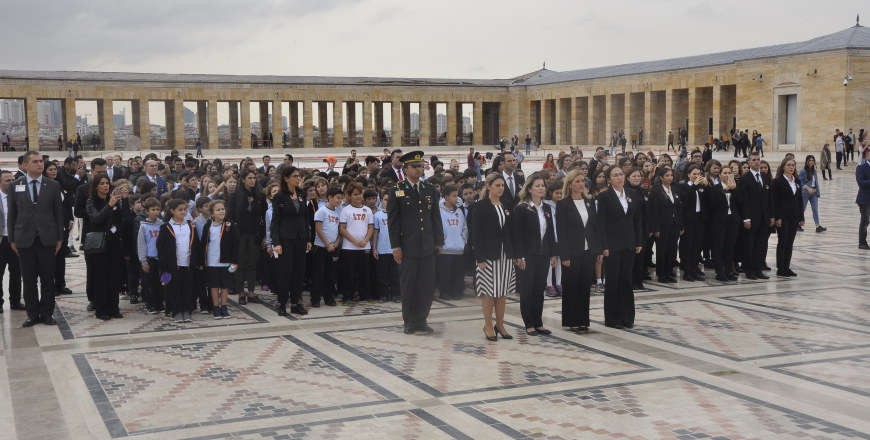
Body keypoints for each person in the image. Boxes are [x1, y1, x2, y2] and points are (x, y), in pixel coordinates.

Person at [387, 151, 444, 335]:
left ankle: (422, 320)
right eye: (414, 167)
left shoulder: (429, 189)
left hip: (427, 244)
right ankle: (409, 321)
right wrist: (396, 246)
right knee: (409, 285)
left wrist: (439, 241)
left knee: (426, 285)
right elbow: (393, 221)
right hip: (408, 246)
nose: (419, 169)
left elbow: (435, 217)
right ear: (406, 169)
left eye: (420, 166)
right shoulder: (397, 189)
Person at [8, 151, 65, 327]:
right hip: (24, 239)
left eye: (41, 161)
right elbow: (12, 214)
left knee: (48, 279)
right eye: (35, 161)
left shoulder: (53, 185)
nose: (40, 164)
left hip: (47, 238)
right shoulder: (15, 185)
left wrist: (60, 238)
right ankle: (32, 314)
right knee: (29, 279)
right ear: (26, 165)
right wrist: (12, 239)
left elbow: (58, 213)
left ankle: (47, 313)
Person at [597, 166, 643, 329]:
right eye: (615, 175)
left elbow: (636, 219)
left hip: (629, 243)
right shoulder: (604, 196)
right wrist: (603, 245)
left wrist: (638, 241)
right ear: (609, 179)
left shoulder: (632, 193)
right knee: (613, 281)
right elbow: (601, 223)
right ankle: (612, 318)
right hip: (612, 245)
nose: (619, 177)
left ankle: (627, 317)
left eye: (621, 174)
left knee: (626, 280)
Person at [512, 174, 557, 336]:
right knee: (527, 289)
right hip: (528, 255)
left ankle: (538, 322)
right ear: (529, 189)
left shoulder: (546, 208)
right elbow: (517, 235)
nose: (541, 188)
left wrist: (553, 253)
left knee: (539, 288)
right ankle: (529, 323)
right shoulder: (522, 208)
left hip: (543, 254)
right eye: (537, 186)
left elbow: (550, 233)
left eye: (543, 185)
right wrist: (519, 256)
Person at [472, 173, 515, 341]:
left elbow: (511, 231)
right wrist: (480, 257)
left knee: (502, 291)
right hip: (488, 255)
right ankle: (488, 325)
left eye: (502, 185)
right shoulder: (480, 206)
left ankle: (500, 324)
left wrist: (516, 254)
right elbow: (477, 234)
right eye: (497, 185)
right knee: (489, 292)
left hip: (506, 254)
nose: (501, 188)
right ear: (488, 186)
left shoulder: (507, 204)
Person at [556, 170, 600, 332]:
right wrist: (564, 255)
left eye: (583, 181)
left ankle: (583, 320)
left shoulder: (589, 201)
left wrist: (598, 249)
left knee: (584, 286)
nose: (581, 184)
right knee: (572, 286)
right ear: (570, 184)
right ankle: (572, 320)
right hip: (572, 252)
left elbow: (594, 227)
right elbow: (561, 232)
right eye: (577, 181)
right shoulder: (563, 204)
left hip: (589, 251)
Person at [271, 166, 312, 316]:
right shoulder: (280, 196)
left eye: (299, 175)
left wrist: (308, 238)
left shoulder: (301, 194)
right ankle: (281, 302)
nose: (298, 178)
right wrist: (276, 242)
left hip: (300, 237)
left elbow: (305, 218)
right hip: (286, 238)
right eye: (295, 176)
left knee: (298, 271)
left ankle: (296, 302)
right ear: (286, 178)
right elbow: (275, 221)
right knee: (285, 272)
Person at [86, 174, 127, 320]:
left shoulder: (115, 200)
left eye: (107, 183)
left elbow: (122, 219)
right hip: (99, 243)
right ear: (96, 186)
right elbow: (96, 219)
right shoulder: (91, 202)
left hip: (114, 242)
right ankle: (101, 309)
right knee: (101, 276)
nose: (105, 186)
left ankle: (114, 308)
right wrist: (109, 205)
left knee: (114, 276)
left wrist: (124, 200)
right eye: (102, 183)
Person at [157, 199, 200, 323]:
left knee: (187, 288)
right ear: (172, 211)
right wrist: (164, 266)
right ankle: (176, 311)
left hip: (187, 263)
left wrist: (197, 261)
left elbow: (195, 244)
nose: (183, 212)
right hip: (172, 265)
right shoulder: (166, 227)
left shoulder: (190, 225)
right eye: (180, 210)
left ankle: (186, 310)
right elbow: (161, 247)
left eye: (185, 209)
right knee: (173, 288)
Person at [226, 169, 264, 305]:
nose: (253, 180)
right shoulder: (235, 196)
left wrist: (262, 235)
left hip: (254, 234)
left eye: (254, 178)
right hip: (240, 235)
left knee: (252, 264)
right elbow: (229, 216)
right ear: (243, 180)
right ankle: (241, 293)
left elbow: (262, 216)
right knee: (240, 264)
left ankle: (252, 293)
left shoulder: (258, 195)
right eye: (250, 178)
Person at [736, 152, 773, 279]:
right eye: (754, 160)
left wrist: (771, 216)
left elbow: (770, 198)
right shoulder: (744, 179)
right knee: (749, 245)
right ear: (749, 162)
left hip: (764, 217)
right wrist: (746, 218)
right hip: (751, 218)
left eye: (758, 159)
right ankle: (749, 269)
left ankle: (758, 269)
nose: (757, 162)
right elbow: (744, 201)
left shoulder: (765, 177)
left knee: (761, 245)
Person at [200, 200, 238, 319]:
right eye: (218, 210)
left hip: (225, 261)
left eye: (223, 209)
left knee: (225, 286)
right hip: (212, 261)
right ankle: (216, 307)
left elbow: (235, 244)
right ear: (212, 213)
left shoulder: (230, 224)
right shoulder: (208, 226)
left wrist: (235, 261)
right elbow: (203, 243)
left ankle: (224, 307)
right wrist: (201, 261)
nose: (222, 211)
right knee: (214, 285)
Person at [705, 163, 741, 281]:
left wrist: (734, 189)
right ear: (720, 175)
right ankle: (720, 272)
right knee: (719, 247)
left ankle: (728, 271)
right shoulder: (715, 188)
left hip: (733, 220)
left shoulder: (735, 187)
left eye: (729, 173)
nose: (727, 175)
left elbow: (740, 201)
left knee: (730, 248)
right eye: (724, 173)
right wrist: (723, 191)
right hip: (719, 221)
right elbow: (712, 204)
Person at [338, 182, 374, 303]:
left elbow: (370, 227)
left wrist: (365, 240)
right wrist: (354, 241)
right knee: (349, 273)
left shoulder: (367, 210)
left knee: (364, 273)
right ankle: (348, 296)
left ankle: (364, 295)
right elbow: (342, 229)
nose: (358, 196)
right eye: (355, 194)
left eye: (360, 194)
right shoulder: (345, 210)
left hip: (365, 246)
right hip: (349, 248)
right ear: (349, 196)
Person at [647, 167, 682, 283]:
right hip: (662, 225)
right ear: (661, 177)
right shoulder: (656, 190)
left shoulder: (675, 189)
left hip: (674, 224)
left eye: (671, 175)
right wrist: (656, 228)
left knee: (672, 249)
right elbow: (654, 211)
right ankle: (661, 274)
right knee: (662, 249)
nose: (670, 177)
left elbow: (678, 208)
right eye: (667, 175)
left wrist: (681, 225)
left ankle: (669, 272)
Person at [771, 158, 804, 277]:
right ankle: (780, 268)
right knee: (783, 241)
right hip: (783, 216)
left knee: (790, 242)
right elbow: (775, 201)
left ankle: (787, 266)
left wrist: (801, 217)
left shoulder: (797, 181)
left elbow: (799, 200)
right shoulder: (777, 182)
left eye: (793, 165)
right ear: (783, 167)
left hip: (794, 216)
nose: (791, 167)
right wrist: (777, 217)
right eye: (789, 165)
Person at [310, 186, 342, 307]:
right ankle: (315, 298)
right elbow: (318, 229)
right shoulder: (321, 211)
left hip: (333, 247)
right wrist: (327, 244)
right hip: (321, 247)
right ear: (329, 197)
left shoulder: (338, 212)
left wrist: (336, 244)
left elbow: (340, 230)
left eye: (341, 198)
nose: (340, 200)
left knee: (331, 274)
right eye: (338, 198)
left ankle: (329, 297)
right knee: (319, 274)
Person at [677, 164, 707, 281]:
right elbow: (685, 199)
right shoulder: (683, 186)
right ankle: (687, 271)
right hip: (688, 220)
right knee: (688, 246)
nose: (697, 176)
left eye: (699, 174)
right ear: (688, 174)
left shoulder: (701, 186)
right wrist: (694, 186)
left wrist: (706, 186)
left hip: (699, 219)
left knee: (697, 246)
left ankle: (694, 269)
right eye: (694, 174)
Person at [437, 185, 467, 300]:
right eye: (454, 196)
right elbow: (437, 229)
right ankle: (444, 292)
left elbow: (464, 228)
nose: (456, 198)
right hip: (445, 249)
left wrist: (463, 241)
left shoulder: (459, 211)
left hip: (458, 249)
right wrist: (440, 242)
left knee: (457, 273)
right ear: (446, 197)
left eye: (457, 196)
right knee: (445, 273)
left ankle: (456, 291)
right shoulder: (439, 212)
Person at [0, 170, 23, 312]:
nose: (11, 183)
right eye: (7, 180)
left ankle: (15, 301)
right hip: (1, 240)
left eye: (13, 180)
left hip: (16, 241)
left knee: (16, 273)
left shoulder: (20, 197)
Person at [137, 198, 164, 314]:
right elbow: (141, 244)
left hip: (161, 259)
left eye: (158, 209)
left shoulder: (162, 225)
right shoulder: (143, 226)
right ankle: (151, 305)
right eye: (153, 209)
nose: (156, 212)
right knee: (149, 283)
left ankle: (160, 304)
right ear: (147, 211)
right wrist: (143, 261)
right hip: (149, 259)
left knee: (161, 282)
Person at [372, 191, 400, 303]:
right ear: (381, 201)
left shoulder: (398, 215)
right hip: (382, 249)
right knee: (382, 274)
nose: (387, 202)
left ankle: (395, 294)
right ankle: (383, 294)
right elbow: (375, 232)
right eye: (385, 199)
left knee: (395, 274)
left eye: (390, 199)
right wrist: (374, 248)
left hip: (395, 249)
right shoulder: (377, 216)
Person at [799, 155, 826, 233]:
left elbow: (815, 182)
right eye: (809, 160)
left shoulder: (814, 171)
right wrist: (808, 188)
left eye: (812, 160)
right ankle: (798, 224)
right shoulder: (803, 171)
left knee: (815, 209)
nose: (811, 162)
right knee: (803, 208)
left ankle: (817, 226)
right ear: (807, 161)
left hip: (814, 192)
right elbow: (801, 182)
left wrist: (816, 190)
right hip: (805, 192)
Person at [856, 147, 870, 250]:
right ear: (867, 155)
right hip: (865, 199)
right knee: (865, 221)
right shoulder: (861, 167)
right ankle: (862, 243)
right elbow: (861, 183)